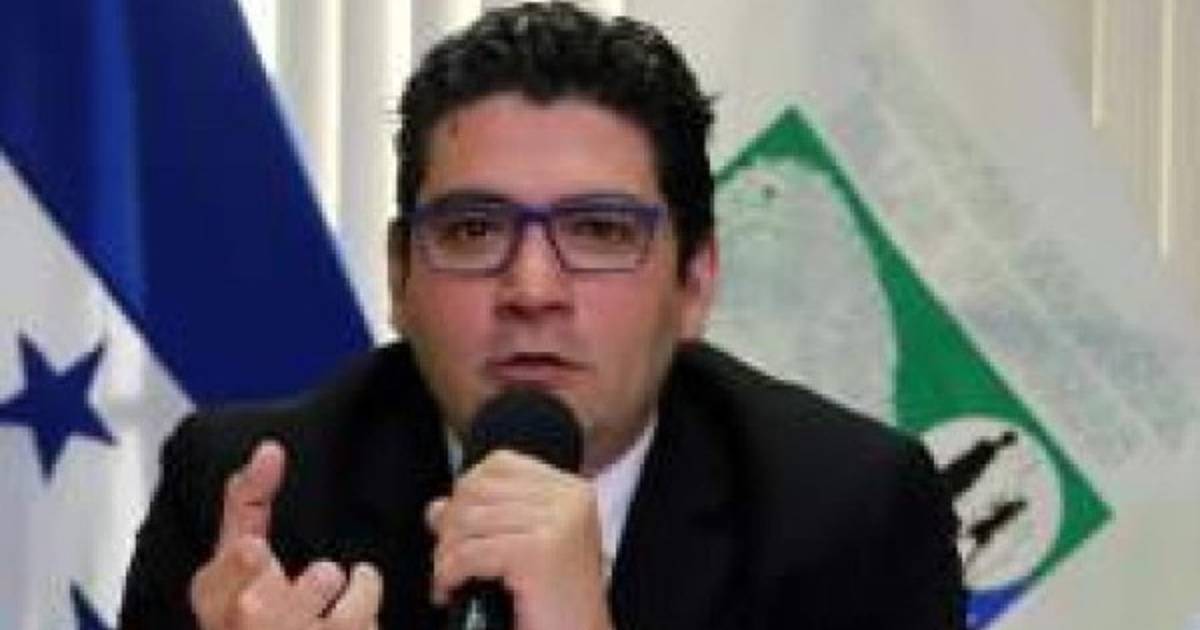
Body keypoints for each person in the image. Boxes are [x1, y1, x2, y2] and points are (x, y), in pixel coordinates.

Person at [118, 3, 964, 629]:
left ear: (695, 282)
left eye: (599, 231)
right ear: (401, 277)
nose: (531, 288)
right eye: (473, 230)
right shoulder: (250, 509)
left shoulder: (849, 513)